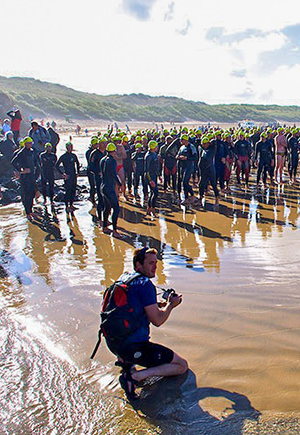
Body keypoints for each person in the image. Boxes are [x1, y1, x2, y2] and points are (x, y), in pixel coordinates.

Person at [108, 247, 188, 400]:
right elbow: (157, 321)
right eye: (150, 263)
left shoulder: (125, 278)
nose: (155, 267)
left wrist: (159, 304)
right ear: (138, 265)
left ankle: (127, 363)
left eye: (156, 263)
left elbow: (132, 307)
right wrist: (171, 305)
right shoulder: (145, 284)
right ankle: (135, 377)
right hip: (133, 346)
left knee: (146, 355)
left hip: (114, 343)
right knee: (181, 366)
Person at [12, 137, 41, 220]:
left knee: (32, 193)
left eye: (31, 143)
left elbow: (36, 162)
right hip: (25, 177)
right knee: (27, 194)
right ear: (25, 144)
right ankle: (28, 212)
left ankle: (31, 210)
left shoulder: (32, 151)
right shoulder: (22, 152)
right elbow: (13, 162)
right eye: (29, 143)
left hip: (32, 175)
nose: (30, 144)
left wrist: (37, 171)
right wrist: (21, 170)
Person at [100, 142, 122, 236]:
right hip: (109, 187)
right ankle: (115, 231)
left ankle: (104, 227)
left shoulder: (103, 159)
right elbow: (114, 174)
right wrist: (120, 183)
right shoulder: (112, 161)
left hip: (103, 186)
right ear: (113, 151)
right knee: (116, 208)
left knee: (107, 207)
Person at [56, 141, 80, 212]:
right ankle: (67, 206)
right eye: (69, 147)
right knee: (68, 191)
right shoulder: (64, 156)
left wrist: (77, 172)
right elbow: (57, 165)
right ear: (66, 148)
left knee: (73, 190)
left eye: (71, 147)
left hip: (73, 175)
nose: (70, 148)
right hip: (67, 175)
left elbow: (77, 164)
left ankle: (71, 205)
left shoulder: (74, 155)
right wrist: (62, 174)